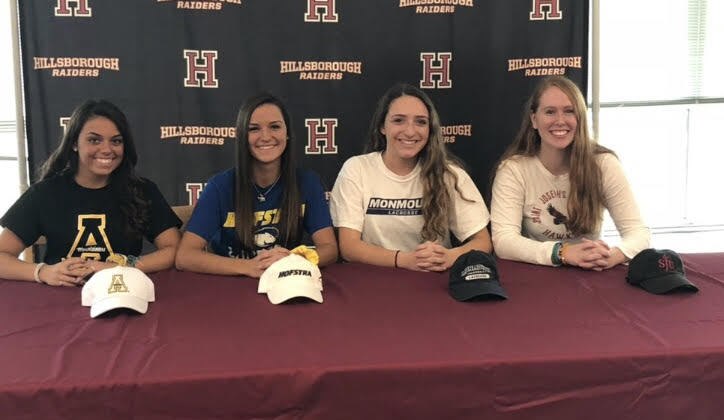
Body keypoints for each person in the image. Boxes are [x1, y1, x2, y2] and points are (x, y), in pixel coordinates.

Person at [0, 100, 182, 286]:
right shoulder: (44, 193)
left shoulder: (143, 190)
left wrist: (123, 267)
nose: (106, 149)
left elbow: (174, 249)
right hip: (57, 300)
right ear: (74, 143)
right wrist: (43, 272)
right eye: (94, 140)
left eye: (116, 141)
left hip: (121, 294)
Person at [490, 75, 650, 269]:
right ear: (534, 119)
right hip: (539, 273)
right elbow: (503, 241)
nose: (560, 121)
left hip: (591, 271)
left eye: (569, 111)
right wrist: (562, 253)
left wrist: (612, 256)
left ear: (580, 118)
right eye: (550, 112)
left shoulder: (604, 164)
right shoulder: (514, 170)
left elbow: (638, 233)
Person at [329, 83, 492, 272]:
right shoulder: (357, 169)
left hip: (433, 280)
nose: (410, 131)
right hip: (372, 280)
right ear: (382, 126)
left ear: (430, 129)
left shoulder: (449, 174)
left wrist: (450, 257)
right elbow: (349, 248)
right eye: (399, 120)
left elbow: (483, 242)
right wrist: (405, 260)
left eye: (421, 122)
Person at [176, 93, 338, 277]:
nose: (266, 136)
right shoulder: (220, 186)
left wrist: (293, 260)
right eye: (254, 129)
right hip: (232, 284)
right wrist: (248, 267)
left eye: (275, 126)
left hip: (286, 281)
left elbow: (330, 249)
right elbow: (185, 256)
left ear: (288, 133)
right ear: (242, 136)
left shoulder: (307, 182)